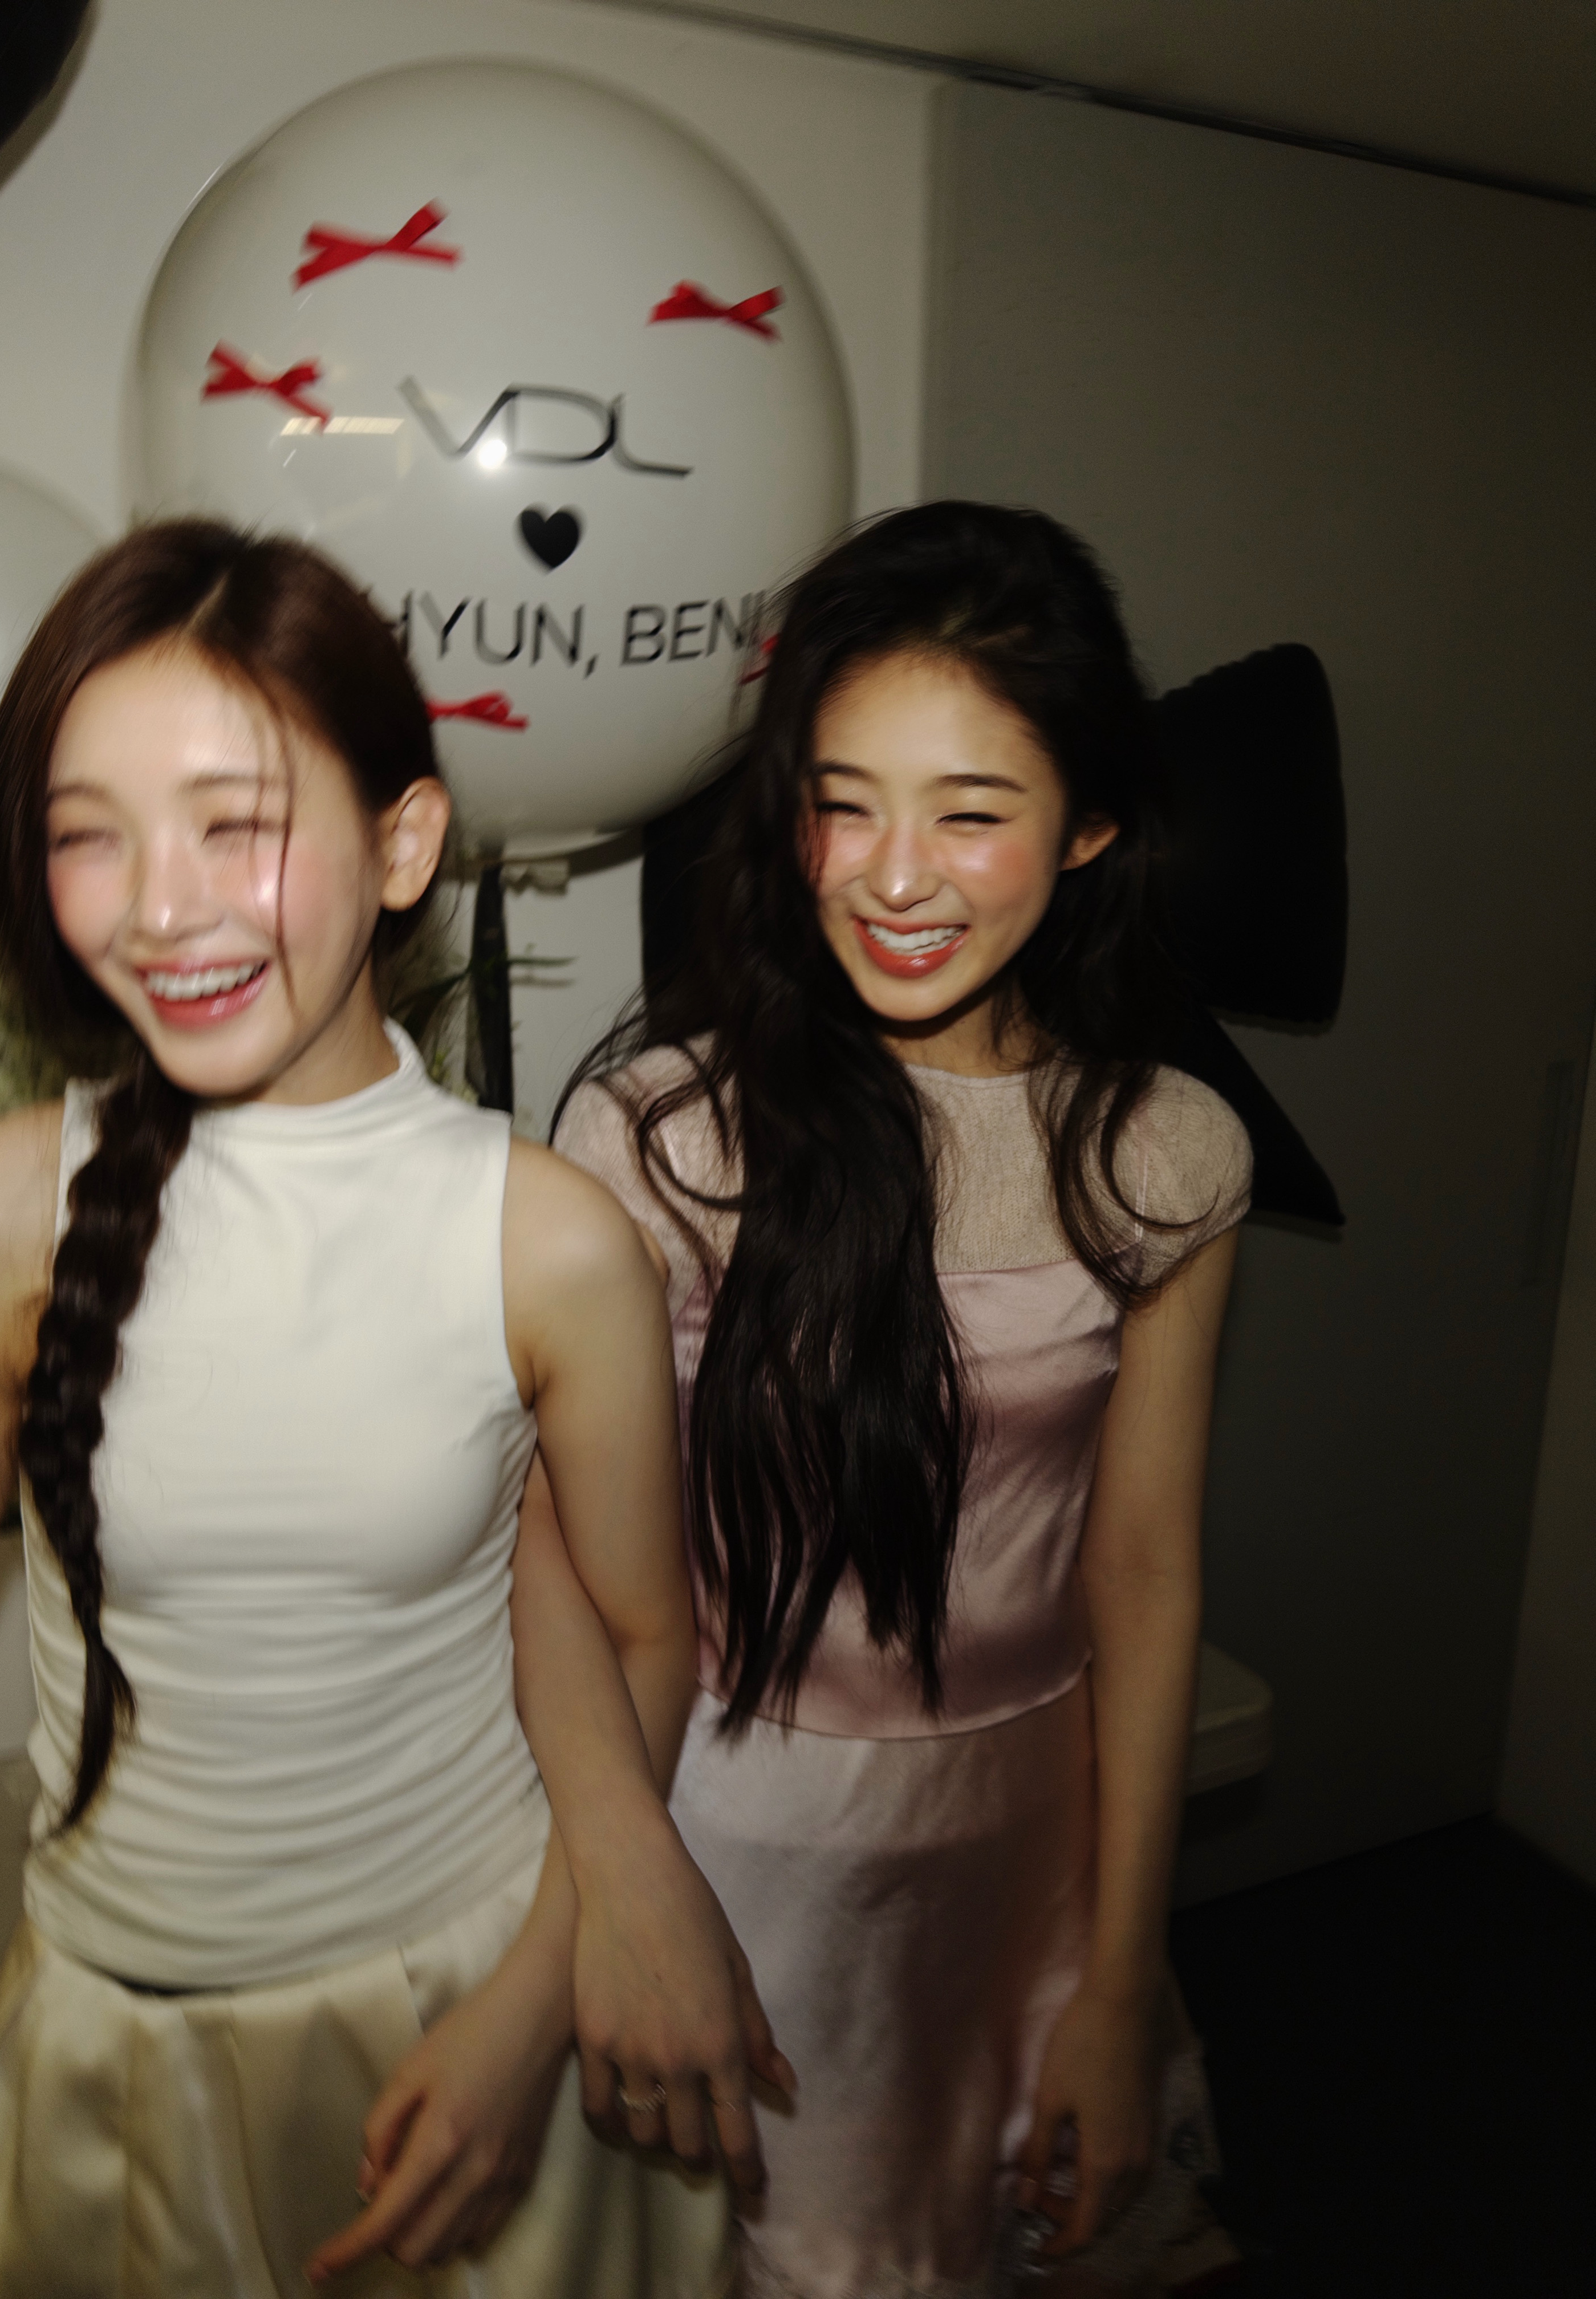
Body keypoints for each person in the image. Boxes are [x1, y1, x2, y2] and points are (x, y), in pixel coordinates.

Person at [0, 522, 786, 2299]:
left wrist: (533, 2011)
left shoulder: (547, 1241)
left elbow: (645, 1641)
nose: (160, 907)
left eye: (237, 823)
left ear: (403, 843)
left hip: (468, 2007)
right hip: (112, 2048)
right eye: (88, 833)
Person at [541, 501, 1253, 2297]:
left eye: (972, 812)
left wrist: (1119, 1975)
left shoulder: (1168, 1153)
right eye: (843, 802)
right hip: (716, 1845)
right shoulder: (661, 1136)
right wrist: (627, 1882)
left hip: (1023, 1862)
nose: (892, 876)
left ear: (1090, 824)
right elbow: (554, 1561)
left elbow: (1144, 1572)